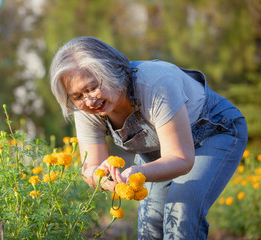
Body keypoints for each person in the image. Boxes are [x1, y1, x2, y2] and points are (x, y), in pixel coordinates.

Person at [49, 36, 248, 240]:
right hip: (159, 150)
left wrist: (138, 171)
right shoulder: (86, 110)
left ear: (110, 72)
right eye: (78, 96)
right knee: (150, 226)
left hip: (213, 131)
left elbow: (181, 158)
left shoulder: (154, 84)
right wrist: (103, 176)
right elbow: (89, 168)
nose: (89, 100)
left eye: (92, 88)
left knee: (180, 215)